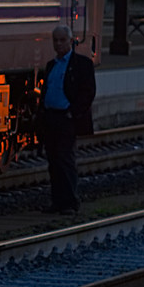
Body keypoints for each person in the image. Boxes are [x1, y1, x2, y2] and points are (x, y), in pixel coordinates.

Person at [38, 25, 96, 213]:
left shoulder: (82, 64)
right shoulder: (51, 65)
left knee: (65, 158)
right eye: (56, 40)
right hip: (51, 117)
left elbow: (87, 92)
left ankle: (70, 202)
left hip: (66, 118)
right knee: (53, 161)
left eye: (62, 40)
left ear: (71, 41)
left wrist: (73, 112)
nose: (58, 44)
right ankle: (58, 202)